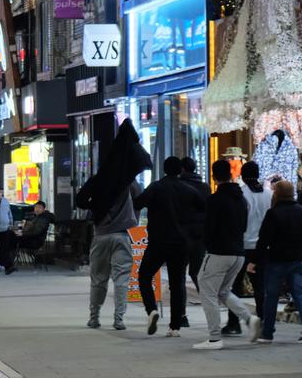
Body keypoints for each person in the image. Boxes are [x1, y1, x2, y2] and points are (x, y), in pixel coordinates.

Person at [76, 119, 151, 331]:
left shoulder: (98, 179)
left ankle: (94, 317)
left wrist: (96, 207)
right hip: (123, 236)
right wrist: (132, 214)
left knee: (98, 279)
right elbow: (141, 199)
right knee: (121, 279)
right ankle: (119, 319)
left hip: (100, 235)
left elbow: (80, 200)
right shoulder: (129, 182)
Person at [133, 157, 206, 337]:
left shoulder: (156, 187)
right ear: (180, 170)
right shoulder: (189, 190)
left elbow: (137, 203)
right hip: (181, 242)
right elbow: (203, 208)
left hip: (158, 241)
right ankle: (175, 326)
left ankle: (151, 310)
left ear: (164, 169)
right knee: (177, 282)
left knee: (144, 275)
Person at [193, 159, 260, 350]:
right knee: (222, 290)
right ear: (231, 174)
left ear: (214, 177)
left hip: (218, 252)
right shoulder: (242, 199)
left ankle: (214, 338)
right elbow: (245, 226)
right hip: (238, 252)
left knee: (206, 290)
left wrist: (206, 244)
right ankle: (249, 318)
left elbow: (209, 228)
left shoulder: (214, 200)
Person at [250, 181, 302, 344]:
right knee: (300, 294)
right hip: (300, 259)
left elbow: (264, 239)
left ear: (277, 194)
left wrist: (254, 260)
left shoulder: (273, 213)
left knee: (272, 297)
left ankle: (268, 332)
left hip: (278, 260)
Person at [224, 161, 272, 335]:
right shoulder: (268, 194)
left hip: (241, 245)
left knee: (234, 285)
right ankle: (264, 322)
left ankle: (233, 323)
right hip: (263, 247)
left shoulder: (240, 194)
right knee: (261, 287)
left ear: (242, 175)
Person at [178, 157, 211, 290]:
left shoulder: (179, 186)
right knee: (196, 271)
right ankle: (206, 298)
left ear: (182, 169)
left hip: (181, 233)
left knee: (178, 272)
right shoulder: (205, 187)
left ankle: (180, 308)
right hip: (200, 234)